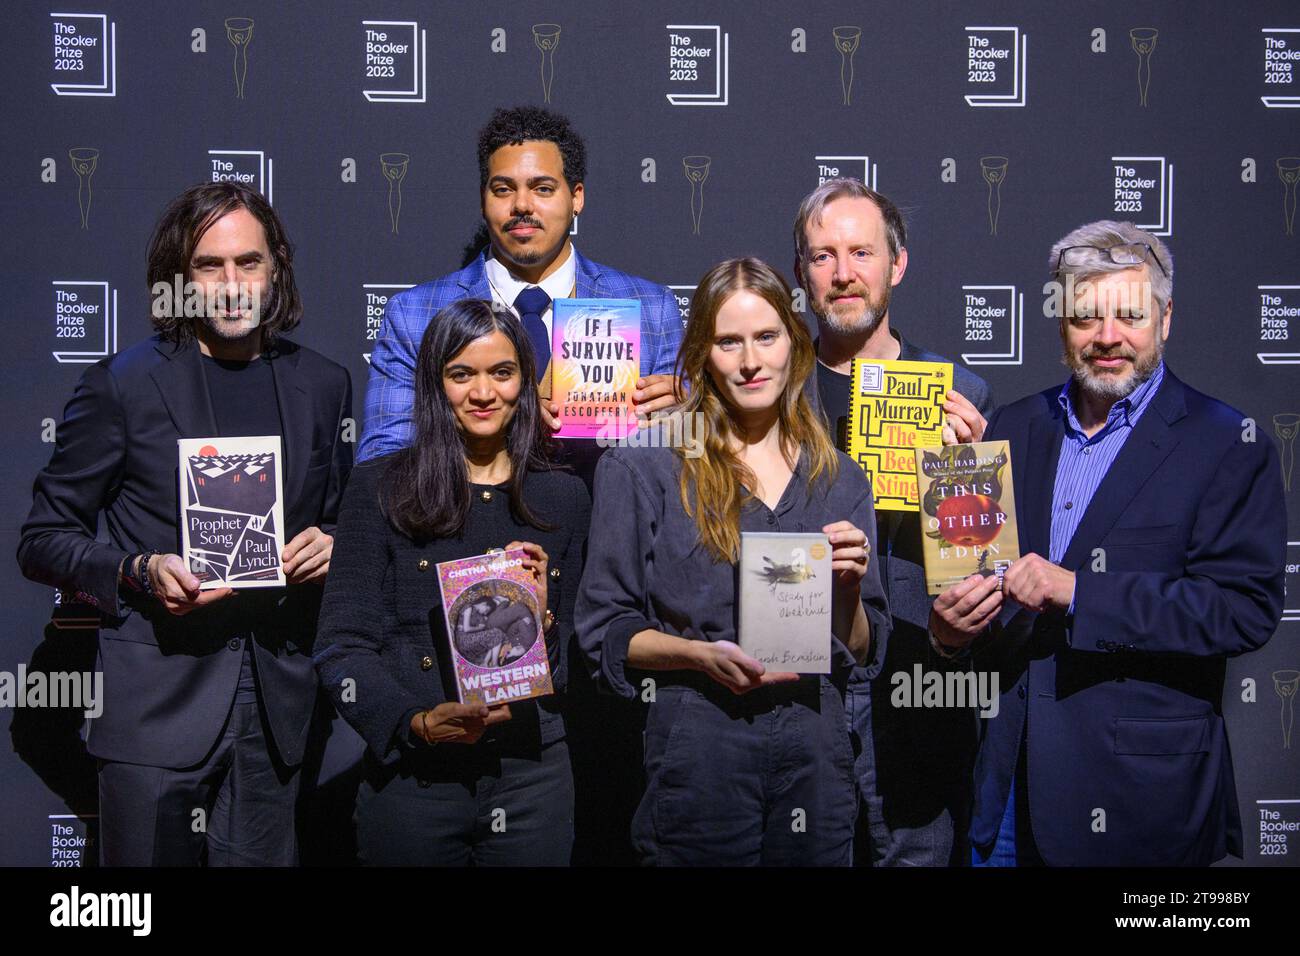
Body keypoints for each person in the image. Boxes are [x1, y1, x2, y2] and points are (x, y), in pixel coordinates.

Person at [17, 181, 353, 865]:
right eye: (209, 266)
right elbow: (43, 539)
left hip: (277, 711)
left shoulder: (324, 385)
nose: (232, 284)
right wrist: (137, 570)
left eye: (249, 263)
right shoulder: (123, 385)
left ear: (276, 267)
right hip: (155, 706)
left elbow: (342, 518)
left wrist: (336, 543)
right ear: (181, 277)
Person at [930, 220, 1286, 866]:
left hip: (1141, 805)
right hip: (1006, 799)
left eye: (1129, 314)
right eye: (1085, 317)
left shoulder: (1226, 443)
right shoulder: (1014, 426)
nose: (1107, 338)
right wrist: (952, 634)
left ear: (1166, 317)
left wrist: (1081, 592)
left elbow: (1243, 609)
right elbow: (994, 596)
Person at [576, 257, 890, 866]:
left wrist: (848, 591)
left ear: (795, 345)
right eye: (729, 341)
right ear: (702, 353)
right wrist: (699, 656)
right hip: (700, 739)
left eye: (767, 337)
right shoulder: (645, 464)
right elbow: (602, 633)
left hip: (815, 743)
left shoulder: (841, 477)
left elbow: (863, 647)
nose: (750, 361)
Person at [315, 299, 591, 866]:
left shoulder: (564, 498)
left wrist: (543, 618)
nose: (484, 393)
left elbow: (579, 670)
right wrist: (412, 723)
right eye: (461, 373)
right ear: (435, 385)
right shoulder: (379, 490)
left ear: (525, 382)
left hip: (532, 777)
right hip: (413, 780)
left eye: (502, 373)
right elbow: (341, 647)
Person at [793, 178, 992, 866]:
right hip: (798, 696)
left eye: (861, 253)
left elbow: (975, 568)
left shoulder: (960, 394)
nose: (843, 273)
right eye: (823, 257)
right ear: (802, 274)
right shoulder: (766, 391)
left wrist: (967, 487)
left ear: (896, 266)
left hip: (915, 699)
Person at [360, 104, 685, 463]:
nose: (522, 205)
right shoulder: (414, 316)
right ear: (483, 200)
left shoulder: (652, 308)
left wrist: (684, 418)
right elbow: (381, 461)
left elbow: (695, 463)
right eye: (502, 190)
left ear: (576, 197)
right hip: (472, 516)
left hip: (606, 515)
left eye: (543, 189)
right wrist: (494, 424)